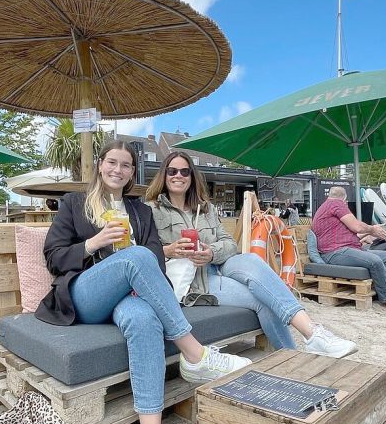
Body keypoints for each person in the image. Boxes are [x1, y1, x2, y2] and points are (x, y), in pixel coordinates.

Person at [36, 141, 250, 424]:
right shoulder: (75, 203)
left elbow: (154, 257)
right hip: (88, 294)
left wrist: (141, 263)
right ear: (100, 166)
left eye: (126, 165)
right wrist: (93, 242)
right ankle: (195, 354)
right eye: (112, 163)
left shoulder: (139, 211)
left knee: (144, 319)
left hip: (130, 297)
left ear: (134, 173)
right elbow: (54, 258)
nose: (118, 170)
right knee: (134, 255)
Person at [146, 152, 357, 359]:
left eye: (185, 171)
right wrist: (169, 250)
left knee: (251, 259)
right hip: (194, 281)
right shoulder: (152, 210)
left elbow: (229, 244)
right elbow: (143, 252)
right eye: (172, 171)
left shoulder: (206, 208)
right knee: (264, 300)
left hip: (217, 265)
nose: (178, 176)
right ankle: (295, 356)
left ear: (192, 177)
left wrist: (212, 253)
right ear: (164, 175)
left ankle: (313, 333)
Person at [312, 187, 386, 312]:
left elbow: (350, 233)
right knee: (375, 260)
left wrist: (370, 232)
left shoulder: (325, 207)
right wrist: (372, 229)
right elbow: (357, 226)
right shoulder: (337, 204)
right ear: (345, 200)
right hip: (335, 252)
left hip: (345, 249)